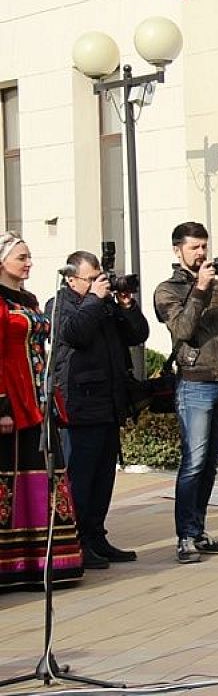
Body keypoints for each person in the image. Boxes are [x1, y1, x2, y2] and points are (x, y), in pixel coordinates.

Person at [153, 222, 218, 564]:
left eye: (204, 247)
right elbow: (183, 329)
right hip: (194, 384)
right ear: (177, 250)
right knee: (193, 463)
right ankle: (184, 537)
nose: (201, 254)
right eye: (194, 248)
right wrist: (200, 289)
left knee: (210, 464)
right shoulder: (168, 290)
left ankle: (198, 530)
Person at [50, 250, 149, 569]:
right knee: (81, 477)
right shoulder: (59, 304)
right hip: (80, 405)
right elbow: (74, 334)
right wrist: (94, 299)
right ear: (71, 278)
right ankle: (76, 542)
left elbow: (138, 334)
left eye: (99, 278)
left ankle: (97, 536)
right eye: (91, 279)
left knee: (104, 477)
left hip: (108, 403)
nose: (98, 284)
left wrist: (125, 304)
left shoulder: (105, 304)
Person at [0, 232, 84, 587]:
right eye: (22, 257)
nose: (29, 262)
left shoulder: (30, 300)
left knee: (45, 474)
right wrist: (1, 406)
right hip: (12, 402)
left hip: (40, 399)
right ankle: (10, 565)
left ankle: (45, 560)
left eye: (30, 256)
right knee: (11, 476)